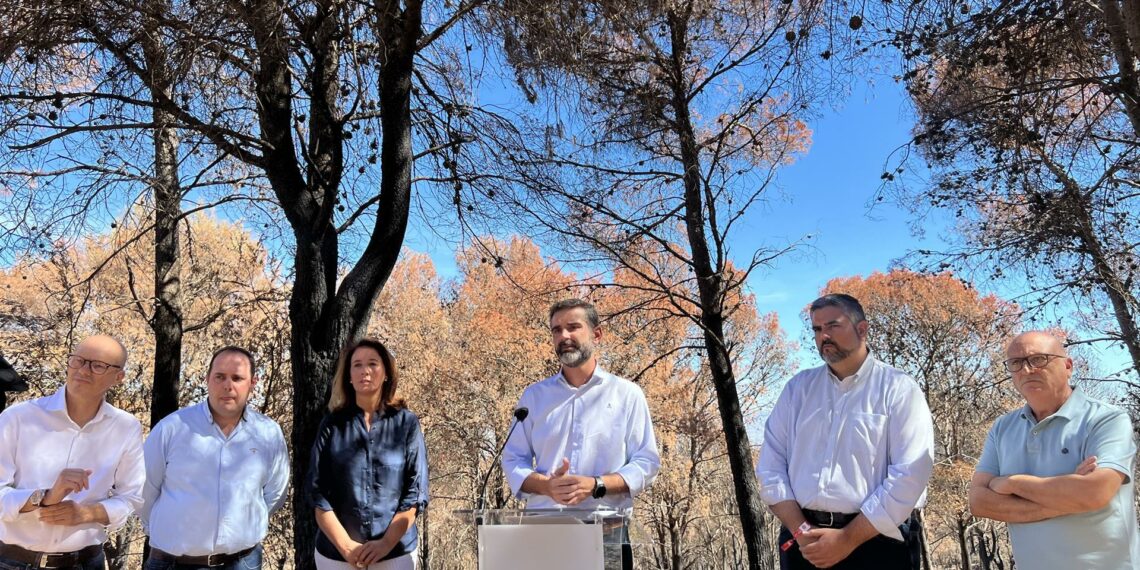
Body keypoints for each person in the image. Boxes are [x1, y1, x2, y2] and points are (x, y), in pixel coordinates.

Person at [756, 294, 935, 569]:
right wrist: (802, 532)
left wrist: (848, 539)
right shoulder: (798, 390)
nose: (823, 336)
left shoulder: (898, 389)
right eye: (817, 329)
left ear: (861, 329)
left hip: (877, 543)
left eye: (832, 326)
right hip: (804, 542)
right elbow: (771, 467)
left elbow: (910, 475)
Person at [502, 298, 661, 570]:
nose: (564, 336)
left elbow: (646, 463)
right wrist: (546, 486)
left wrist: (595, 484)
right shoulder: (534, 396)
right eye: (556, 329)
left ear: (596, 334)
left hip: (607, 530)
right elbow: (512, 459)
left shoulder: (626, 395)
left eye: (573, 327)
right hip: (543, 530)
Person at [970, 331, 1140, 569]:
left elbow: (1095, 493)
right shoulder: (1003, 428)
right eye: (1015, 363)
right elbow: (979, 501)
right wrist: (1070, 496)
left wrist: (1012, 483)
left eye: (1038, 359)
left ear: (1068, 366)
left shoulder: (1107, 419)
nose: (1026, 370)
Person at [0, 335, 145, 570]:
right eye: (78, 360)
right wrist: (43, 497)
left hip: (86, 561)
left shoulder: (126, 427)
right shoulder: (18, 418)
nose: (83, 370)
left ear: (119, 377)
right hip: (13, 561)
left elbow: (132, 498)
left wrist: (88, 513)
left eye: (98, 366)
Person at [140, 346, 290, 570]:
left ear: (253, 383)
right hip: (173, 562)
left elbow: (275, 492)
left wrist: (243, 526)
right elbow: (144, 490)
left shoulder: (268, 433)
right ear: (207, 379)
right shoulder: (172, 428)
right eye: (220, 377)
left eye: (237, 378)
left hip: (243, 562)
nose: (228, 386)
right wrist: (166, 532)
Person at [308, 339, 428, 570]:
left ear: (386, 373)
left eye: (372, 363)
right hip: (336, 557)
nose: (365, 371)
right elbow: (317, 492)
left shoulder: (407, 424)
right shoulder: (331, 425)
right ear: (349, 377)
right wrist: (346, 547)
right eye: (357, 365)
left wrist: (384, 544)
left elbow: (415, 492)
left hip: (395, 556)